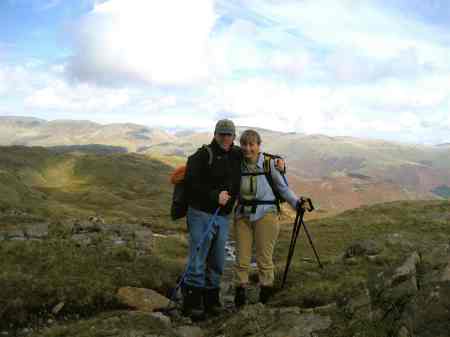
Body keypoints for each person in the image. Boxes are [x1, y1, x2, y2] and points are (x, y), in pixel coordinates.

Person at [233, 129, 305, 308]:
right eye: (244, 144)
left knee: (264, 258)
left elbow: (283, 188)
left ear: (258, 146)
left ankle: (265, 297)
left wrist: (297, 203)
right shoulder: (236, 163)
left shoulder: (269, 164)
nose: (247, 148)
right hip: (242, 215)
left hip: (266, 214)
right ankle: (239, 297)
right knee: (241, 259)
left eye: (251, 144)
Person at [182, 119, 242, 320]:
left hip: (223, 217)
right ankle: (192, 303)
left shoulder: (236, 154)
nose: (225, 138)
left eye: (229, 134)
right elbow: (191, 182)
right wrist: (214, 195)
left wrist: (278, 162)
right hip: (200, 213)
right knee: (198, 258)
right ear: (215, 134)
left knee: (217, 260)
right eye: (222, 134)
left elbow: (256, 157)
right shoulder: (202, 155)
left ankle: (211, 301)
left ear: (234, 136)